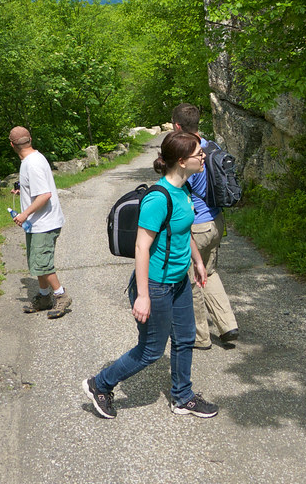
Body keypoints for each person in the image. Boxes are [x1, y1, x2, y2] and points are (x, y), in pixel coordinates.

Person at [82, 131, 218, 419]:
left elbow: (182, 231)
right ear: (182, 161)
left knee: (184, 338)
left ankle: (183, 397)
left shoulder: (185, 189)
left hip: (179, 281)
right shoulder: (158, 198)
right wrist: (143, 295)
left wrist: (197, 261)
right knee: (151, 351)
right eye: (198, 154)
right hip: (156, 286)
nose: (203, 156)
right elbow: (141, 247)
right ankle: (100, 384)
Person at [172, 102, 239, 349]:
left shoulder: (186, 154)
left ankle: (200, 337)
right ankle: (227, 324)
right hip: (217, 222)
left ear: (178, 126)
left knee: (191, 280)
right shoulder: (212, 146)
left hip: (197, 228)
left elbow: (175, 188)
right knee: (209, 272)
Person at [9, 126, 71, 319]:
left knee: (43, 262)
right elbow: (37, 189)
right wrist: (23, 192)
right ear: (30, 139)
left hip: (45, 223)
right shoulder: (33, 159)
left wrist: (24, 214)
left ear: (12, 145)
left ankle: (61, 295)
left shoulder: (32, 163)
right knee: (37, 261)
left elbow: (45, 194)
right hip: (39, 223)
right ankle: (44, 297)